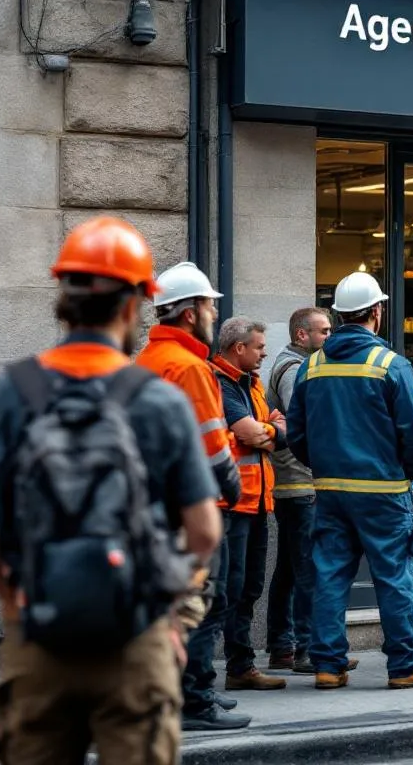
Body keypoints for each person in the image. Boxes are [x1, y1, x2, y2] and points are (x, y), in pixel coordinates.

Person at [0, 216, 223, 763]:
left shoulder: (9, 395)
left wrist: (19, 607)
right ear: (137, 302)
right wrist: (170, 614)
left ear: (63, 295)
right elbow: (204, 530)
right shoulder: (156, 398)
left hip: (39, 635)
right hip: (135, 636)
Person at [285, 271, 413, 689]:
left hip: (330, 491)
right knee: (394, 576)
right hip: (383, 492)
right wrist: (403, 472)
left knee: (330, 576)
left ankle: (327, 665)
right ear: (377, 311)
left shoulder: (313, 365)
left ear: (338, 316)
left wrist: (323, 466)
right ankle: (406, 665)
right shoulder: (391, 364)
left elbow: (297, 434)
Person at [135, 261, 250, 731]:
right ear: (189, 313)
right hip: (193, 508)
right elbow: (212, 443)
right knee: (205, 603)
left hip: (155, 505)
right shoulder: (190, 368)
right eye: (208, 305)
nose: (211, 314)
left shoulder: (146, 361)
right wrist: (232, 488)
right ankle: (195, 700)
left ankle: (180, 689)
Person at [210, 317, 287, 691]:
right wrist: (271, 431)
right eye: (258, 346)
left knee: (251, 584)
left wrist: (267, 433)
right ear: (239, 348)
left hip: (257, 502)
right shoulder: (219, 382)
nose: (264, 352)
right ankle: (230, 665)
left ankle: (241, 666)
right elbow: (255, 432)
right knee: (231, 586)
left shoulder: (251, 384)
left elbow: (266, 435)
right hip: (231, 502)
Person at [265, 307, 333, 674]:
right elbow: (304, 420)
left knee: (289, 570)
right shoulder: (295, 370)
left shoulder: (297, 365)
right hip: (299, 481)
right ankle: (307, 649)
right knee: (308, 568)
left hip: (292, 482)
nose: (329, 337)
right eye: (323, 331)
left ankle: (281, 647)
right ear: (301, 335)